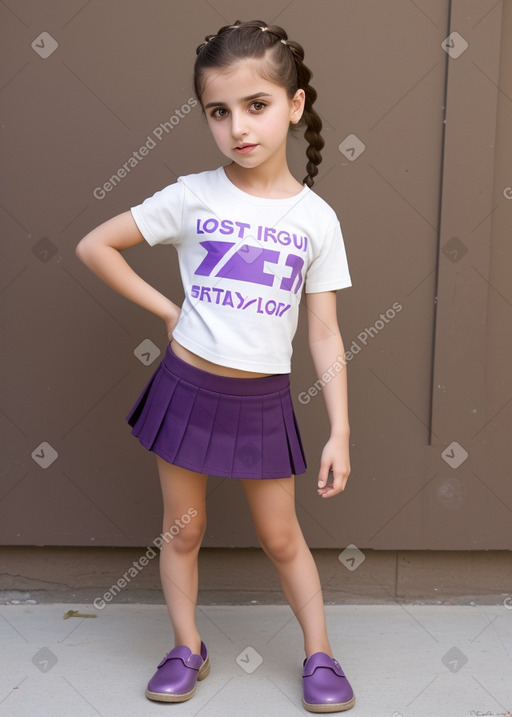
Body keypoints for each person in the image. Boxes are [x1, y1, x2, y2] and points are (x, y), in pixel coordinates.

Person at [76, 19, 355, 713]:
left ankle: (319, 653)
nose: (238, 126)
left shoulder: (317, 219)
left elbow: (323, 330)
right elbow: (94, 245)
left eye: (256, 105)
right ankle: (186, 644)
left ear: (293, 106)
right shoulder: (193, 194)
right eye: (218, 111)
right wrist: (171, 313)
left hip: (262, 401)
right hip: (187, 388)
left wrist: (340, 429)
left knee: (281, 534)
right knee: (185, 528)